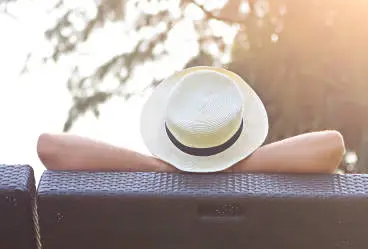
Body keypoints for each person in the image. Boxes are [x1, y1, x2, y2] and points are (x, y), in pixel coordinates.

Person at [37, 66, 345, 174]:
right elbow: (331, 146)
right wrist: (234, 168)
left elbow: (50, 147)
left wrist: (156, 168)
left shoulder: (151, 190)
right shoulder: (251, 185)